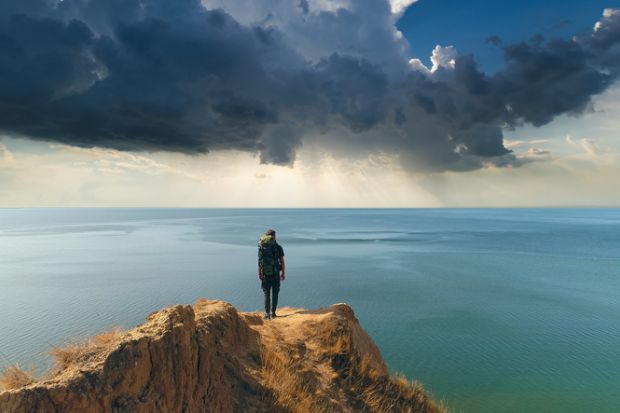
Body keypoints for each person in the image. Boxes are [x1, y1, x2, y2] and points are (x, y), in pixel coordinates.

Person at [258, 228, 285, 319]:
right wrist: (283, 273)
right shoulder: (278, 247)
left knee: (266, 294)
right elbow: (282, 262)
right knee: (275, 294)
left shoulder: (261, 246)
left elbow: (259, 261)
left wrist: (260, 273)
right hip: (276, 274)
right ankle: (273, 313)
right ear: (274, 236)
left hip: (265, 274)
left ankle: (266, 314)